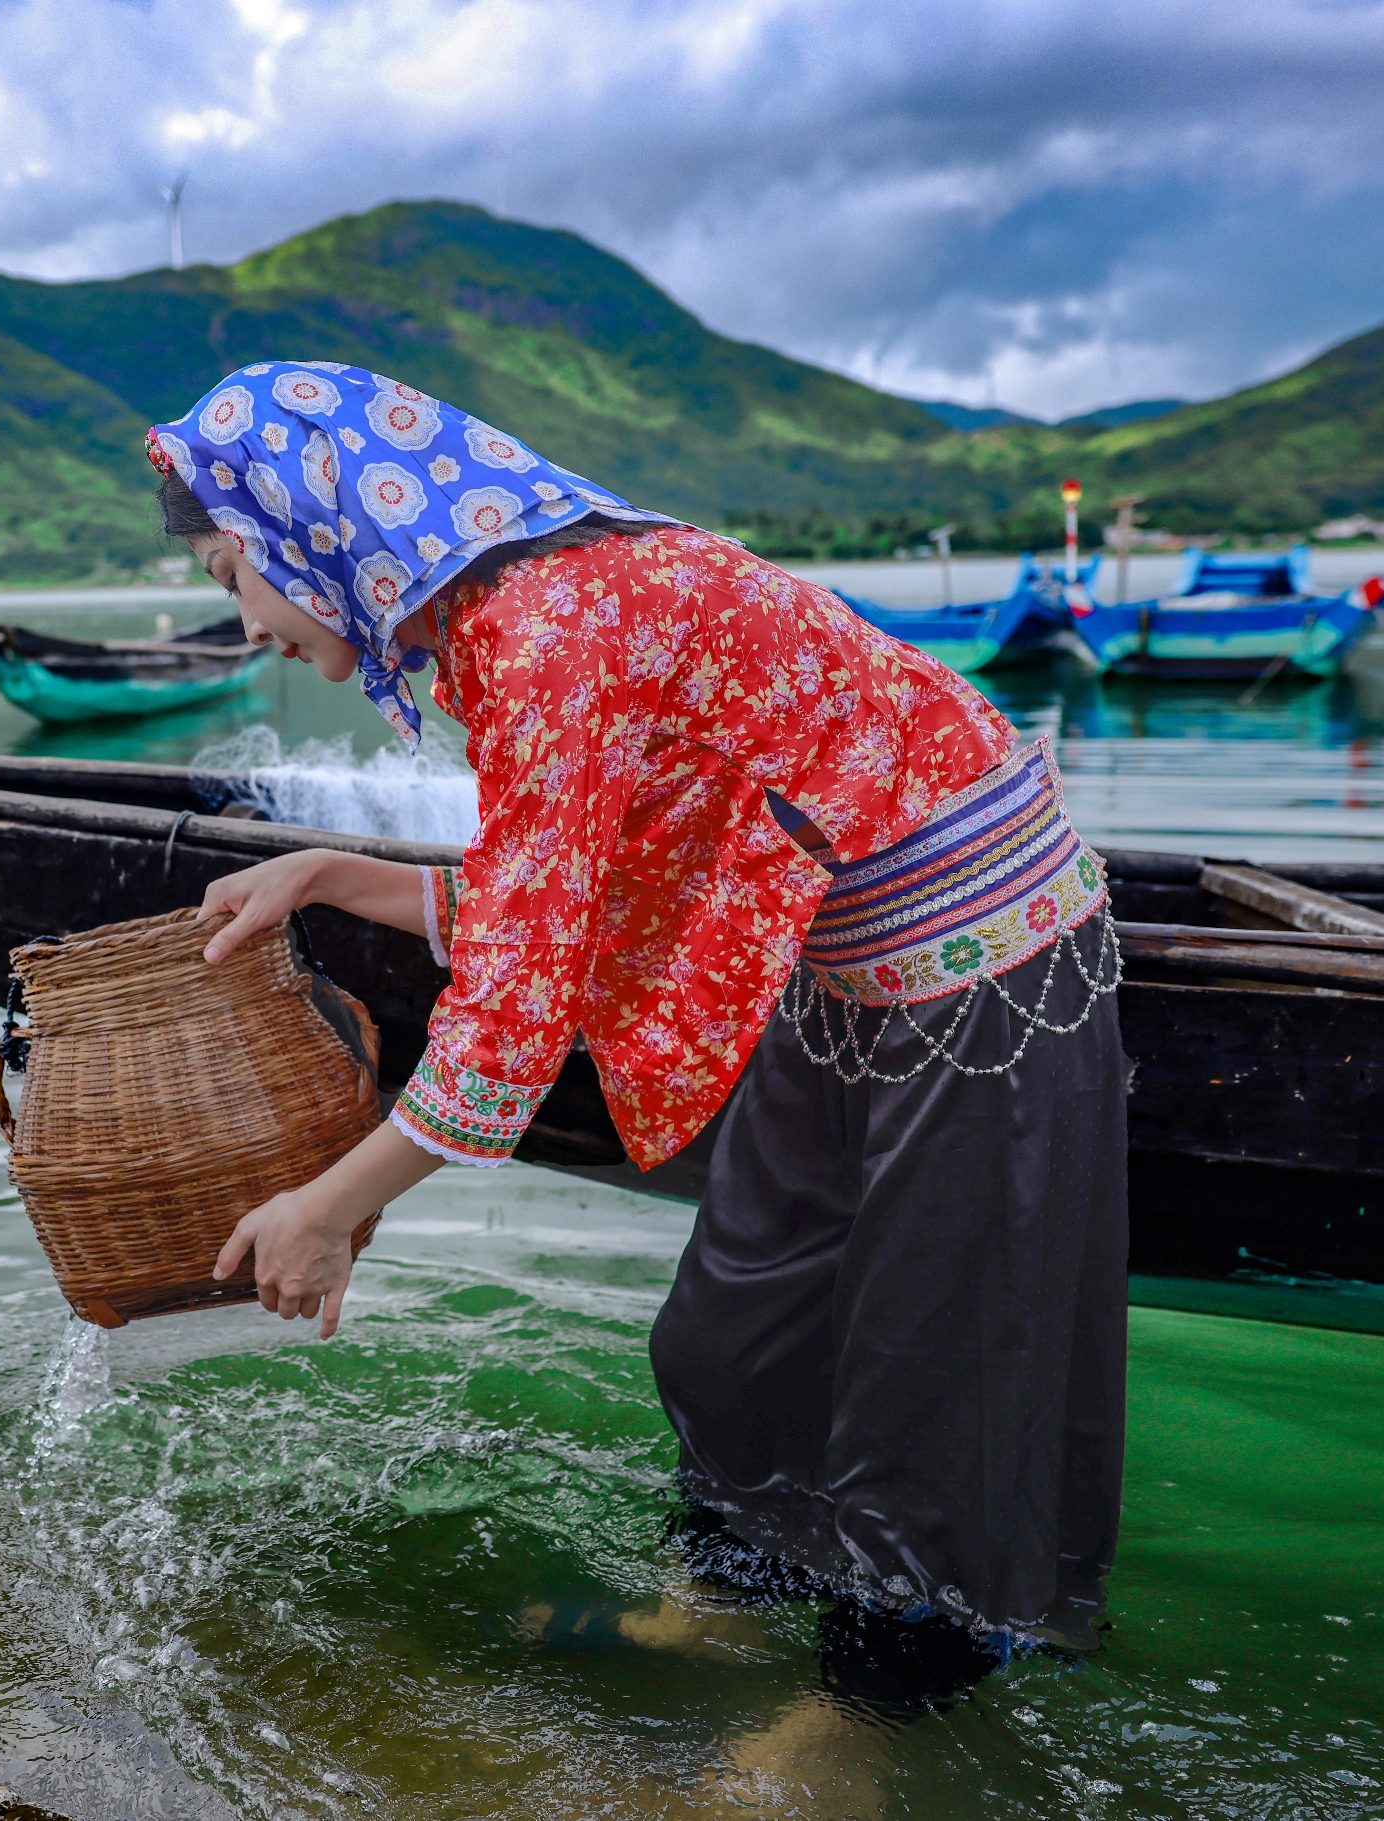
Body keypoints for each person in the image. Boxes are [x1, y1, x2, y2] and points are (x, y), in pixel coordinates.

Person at [165, 362, 1126, 1660]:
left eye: (234, 578)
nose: (246, 630)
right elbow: (542, 905)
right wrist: (326, 873)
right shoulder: (511, 624)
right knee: (733, 1336)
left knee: (926, 1395)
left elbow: (508, 1019)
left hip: (981, 962)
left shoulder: (548, 628)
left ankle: (862, 1738)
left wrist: (329, 1204)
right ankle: (727, 1610)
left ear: (313, 532)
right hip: (838, 961)